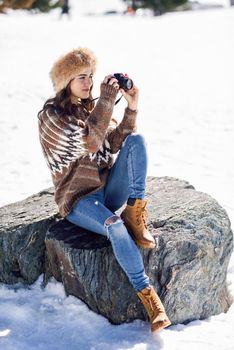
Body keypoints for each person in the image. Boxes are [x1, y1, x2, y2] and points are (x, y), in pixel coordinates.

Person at [38, 47, 171, 332]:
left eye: (90, 76)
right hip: (78, 201)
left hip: (107, 190)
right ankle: (150, 298)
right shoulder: (50, 116)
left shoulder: (91, 108)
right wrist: (108, 100)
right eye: (81, 77)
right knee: (114, 225)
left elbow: (112, 144)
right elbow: (89, 142)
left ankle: (135, 211)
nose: (88, 83)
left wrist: (131, 106)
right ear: (66, 82)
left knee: (136, 140)